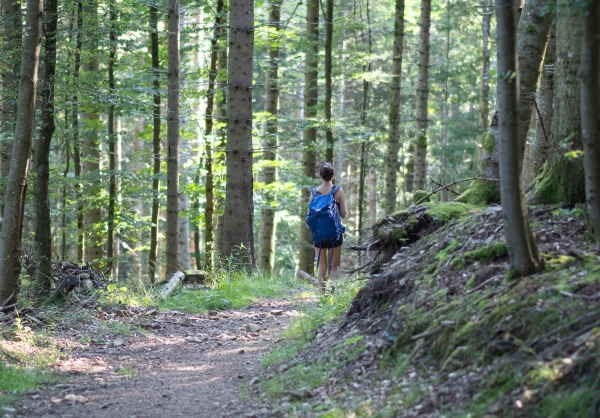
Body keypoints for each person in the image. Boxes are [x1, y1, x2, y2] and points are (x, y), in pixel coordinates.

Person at [307, 162, 347, 292]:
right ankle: (332, 293)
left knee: (322, 266)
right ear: (333, 176)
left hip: (319, 236)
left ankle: (322, 296)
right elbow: (343, 214)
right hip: (335, 234)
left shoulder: (314, 193)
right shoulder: (338, 191)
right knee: (335, 266)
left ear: (320, 175)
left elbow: (309, 216)